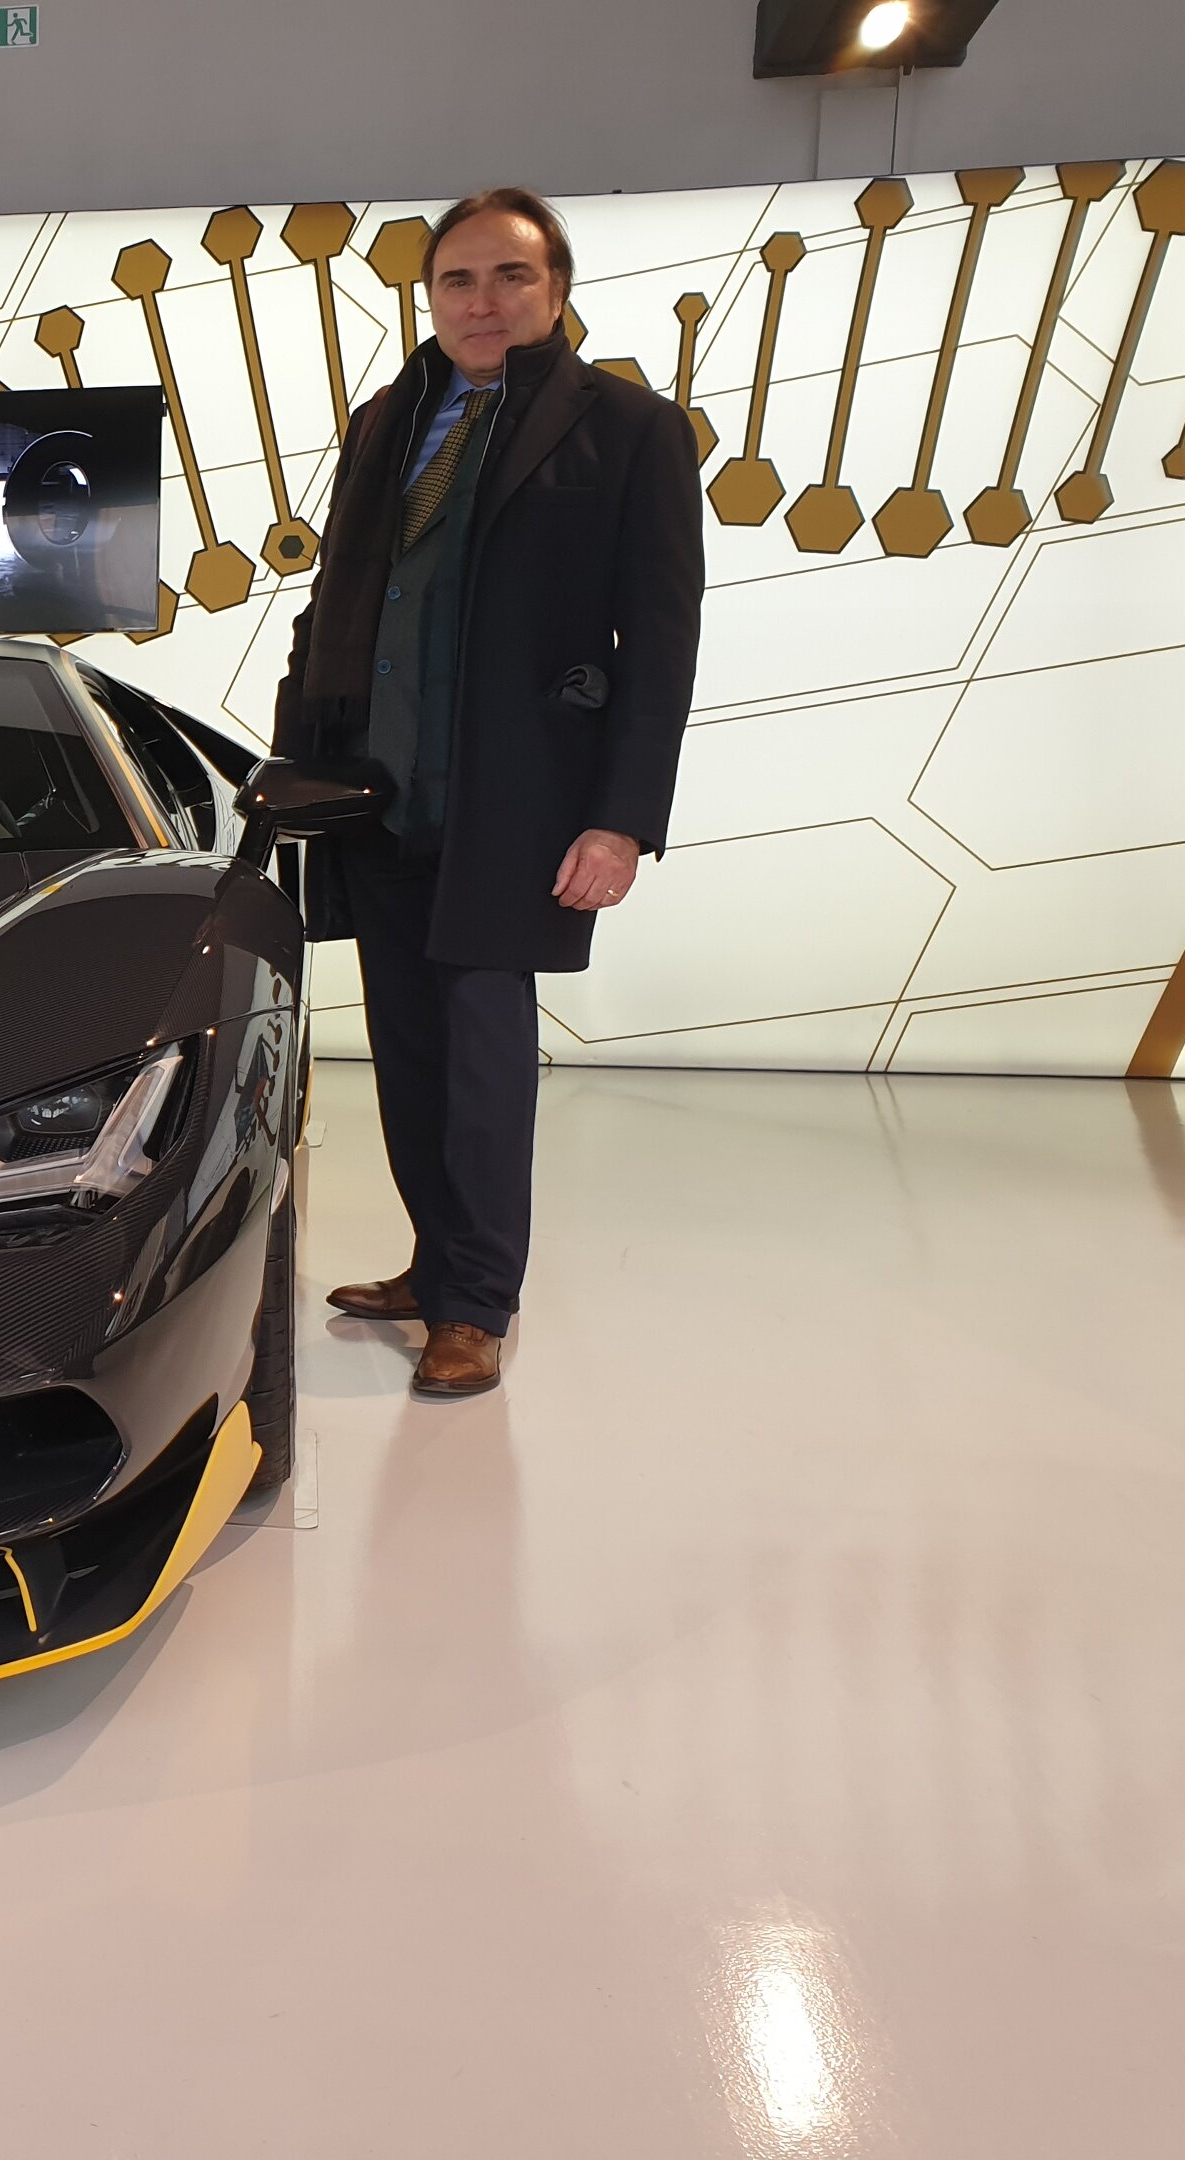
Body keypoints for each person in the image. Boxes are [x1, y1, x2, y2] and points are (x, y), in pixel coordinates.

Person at [270, 187, 704, 1398]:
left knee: (480, 1059)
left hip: (518, 805)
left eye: (510, 277)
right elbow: (335, 605)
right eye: (459, 280)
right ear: (430, 298)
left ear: (554, 290)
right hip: (380, 794)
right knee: (406, 1051)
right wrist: (298, 757)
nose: (484, 301)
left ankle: (477, 1303)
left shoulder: (627, 429)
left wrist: (621, 818)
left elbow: (660, 642)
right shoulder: (385, 423)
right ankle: (433, 1260)